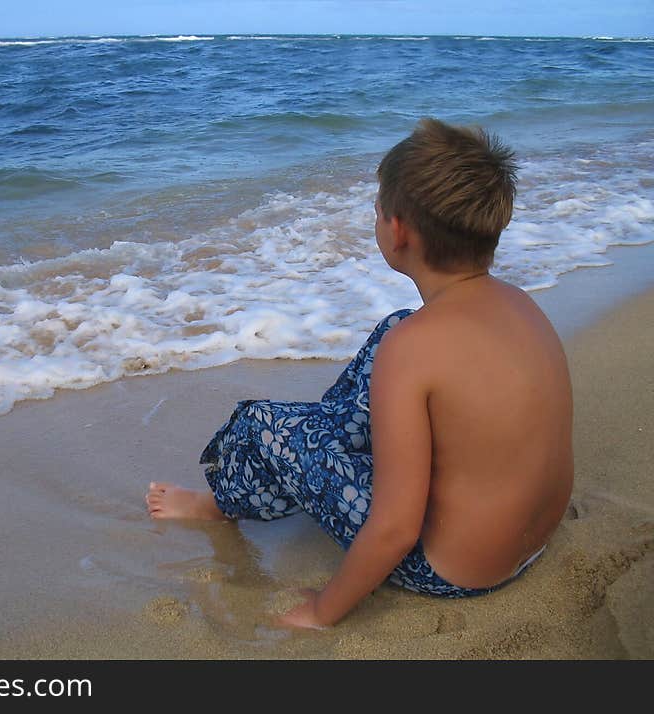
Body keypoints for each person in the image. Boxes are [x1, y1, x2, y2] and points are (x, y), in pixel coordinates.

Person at [146, 118, 574, 629]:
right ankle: (334, 435)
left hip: (452, 571)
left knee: (261, 424)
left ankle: (219, 505)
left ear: (398, 232)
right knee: (397, 326)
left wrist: (322, 611)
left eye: (378, 209)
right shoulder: (519, 304)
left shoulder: (414, 349)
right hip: (530, 543)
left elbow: (395, 529)